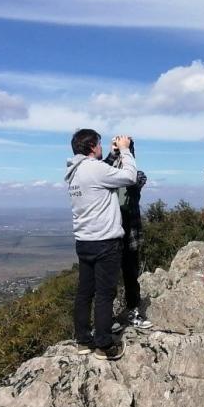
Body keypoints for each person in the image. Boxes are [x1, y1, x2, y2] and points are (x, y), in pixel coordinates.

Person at [65, 129, 137, 360]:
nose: (102, 147)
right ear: (92, 147)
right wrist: (125, 149)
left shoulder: (74, 171)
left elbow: (101, 175)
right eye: (100, 144)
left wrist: (114, 153)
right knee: (105, 294)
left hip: (84, 240)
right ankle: (104, 345)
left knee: (85, 292)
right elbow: (129, 176)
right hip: (105, 241)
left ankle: (83, 339)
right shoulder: (94, 169)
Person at [103, 141, 153, 330]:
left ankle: (133, 310)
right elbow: (101, 169)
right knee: (109, 276)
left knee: (130, 274)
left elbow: (132, 179)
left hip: (129, 232)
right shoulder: (106, 175)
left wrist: (124, 153)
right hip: (111, 231)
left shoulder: (138, 175)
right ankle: (107, 318)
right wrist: (112, 153)